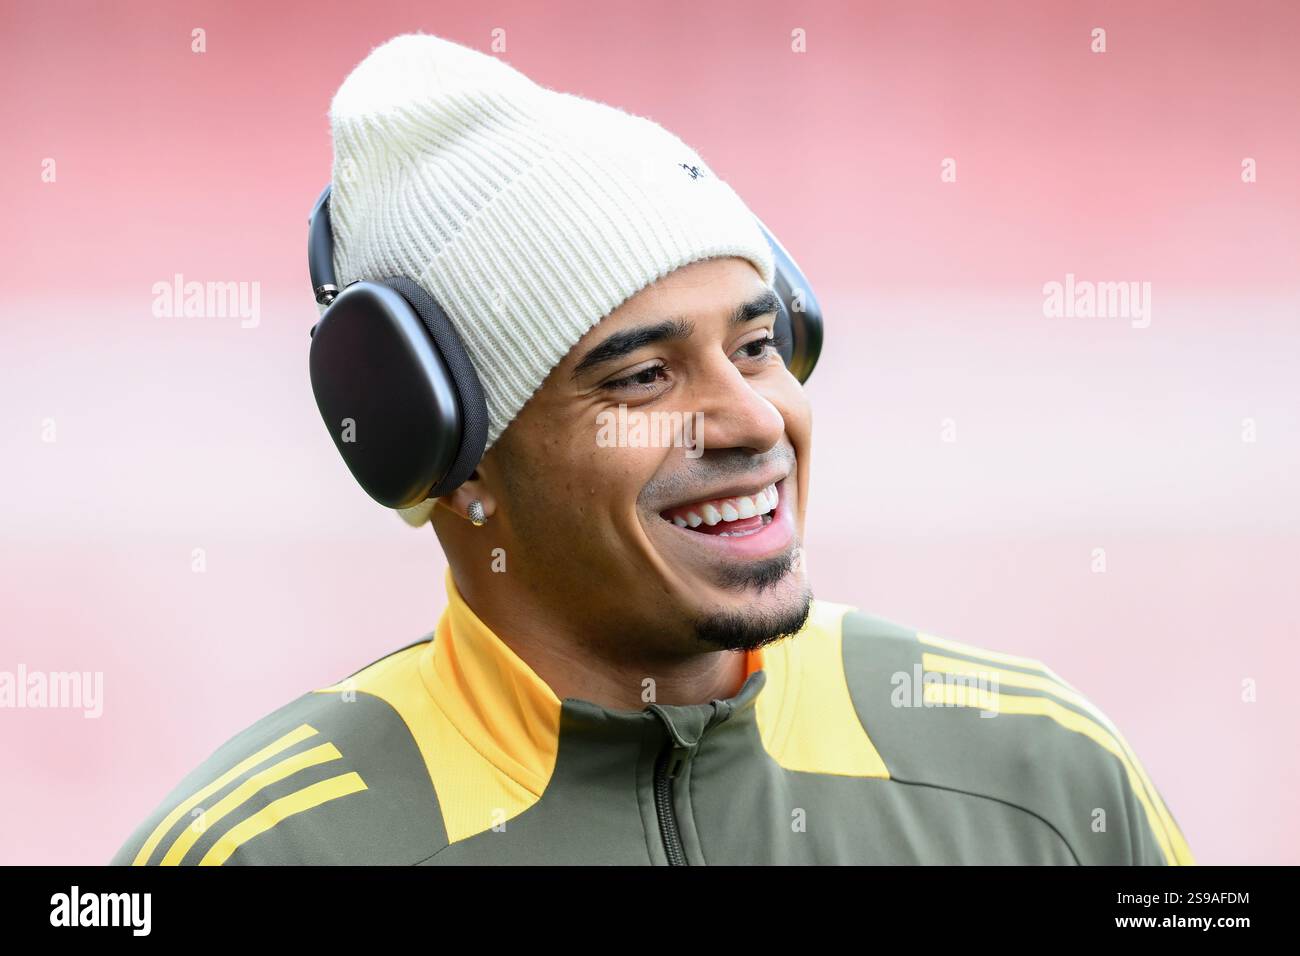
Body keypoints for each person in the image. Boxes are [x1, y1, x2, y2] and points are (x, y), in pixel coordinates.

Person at [110, 33, 1193, 866]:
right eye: (642, 377)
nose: (755, 420)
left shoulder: (1041, 774)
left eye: (759, 345)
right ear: (455, 459)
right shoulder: (252, 851)